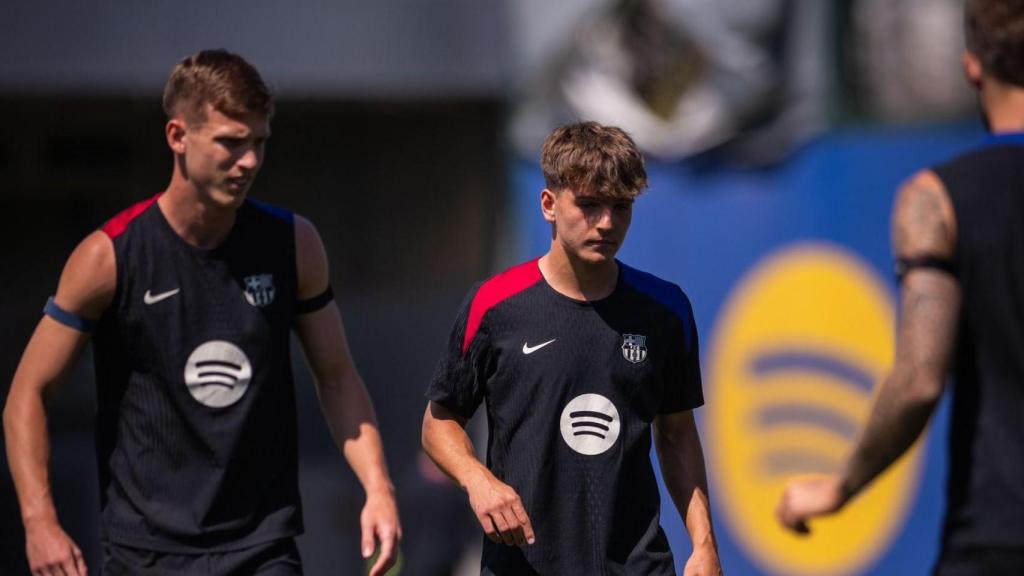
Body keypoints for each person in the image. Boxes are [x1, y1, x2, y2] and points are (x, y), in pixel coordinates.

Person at [3, 49, 400, 576]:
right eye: (231, 143)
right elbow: (26, 396)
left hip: (263, 547)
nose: (250, 161)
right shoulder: (108, 258)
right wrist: (40, 522)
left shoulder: (293, 244)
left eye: (259, 142)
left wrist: (378, 487)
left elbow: (337, 376)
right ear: (177, 137)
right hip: (147, 553)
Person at [776, 1, 1024, 573]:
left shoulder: (936, 200)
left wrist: (840, 487)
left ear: (972, 68)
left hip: (999, 538)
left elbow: (917, 379)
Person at [421, 121, 721, 575]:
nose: (606, 223)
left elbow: (677, 433)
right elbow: (438, 425)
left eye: (621, 207)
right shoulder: (494, 306)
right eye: (589, 205)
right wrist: (476, 480)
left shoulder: (666, 310)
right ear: (549, 205)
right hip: (524, 566)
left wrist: (703, 543)